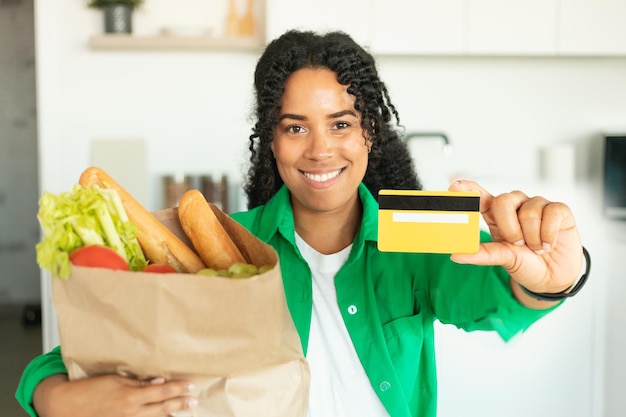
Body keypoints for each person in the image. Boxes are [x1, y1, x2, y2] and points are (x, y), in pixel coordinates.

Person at [16, 30, 588, 417]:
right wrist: (62, 399)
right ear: (271, 139)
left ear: (370, 134)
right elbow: (72, 356)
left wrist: (556, 275)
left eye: (341, 124)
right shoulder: (222, 248)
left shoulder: (416, 232)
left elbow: (498, 295)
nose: (320, 150)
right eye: (295, 127)